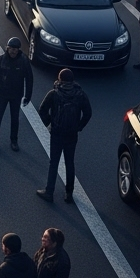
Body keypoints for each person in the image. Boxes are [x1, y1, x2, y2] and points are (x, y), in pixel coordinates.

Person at [37, 69, 91, 203]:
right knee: (70, 162)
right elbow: (88, 113)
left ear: (60, 79)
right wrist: (79, 126)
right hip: (72, 134)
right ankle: (69, 193)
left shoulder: (54, 94)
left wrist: (50, 123)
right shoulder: (80, 94)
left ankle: (49, 192)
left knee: (54, 163)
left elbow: (42, 110)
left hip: (57, 133)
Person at [0, 37, 33, 151]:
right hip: (3, 94)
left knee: (14, 118)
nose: (13, 51)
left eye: (15, 49)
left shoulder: (23, 61)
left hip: (16, 95)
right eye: (11, 48)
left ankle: (14, 141)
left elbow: (29, 79)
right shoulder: (1, 60)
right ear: (7, 48)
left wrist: (28, 96)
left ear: (18, 50)